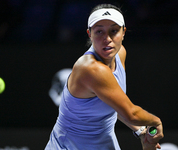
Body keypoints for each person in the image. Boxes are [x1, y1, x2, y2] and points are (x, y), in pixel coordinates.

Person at [45, 3, 164, 150]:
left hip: (104, 143)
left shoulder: (120, 54)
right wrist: (156, 121)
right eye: (99, 31)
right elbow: (131, 113)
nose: (107, 38)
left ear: (124, 32)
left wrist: (140, 131)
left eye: (114, 31)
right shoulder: (91, 69)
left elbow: (114, 104)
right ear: (89, 34)